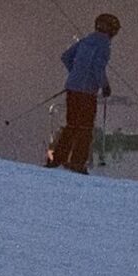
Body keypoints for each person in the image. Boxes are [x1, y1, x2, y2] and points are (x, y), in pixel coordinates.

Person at [46, 13, 120, 174]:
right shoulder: (104, 46)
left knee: (71, 125)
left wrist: (76, 74)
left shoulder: (85, 41)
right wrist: (105, 86)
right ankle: (77, 163)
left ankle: (57, 159)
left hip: (72, 89)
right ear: (111, 31)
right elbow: (97, 67)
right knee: (85, 128)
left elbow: (66, 57)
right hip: (87, 93)